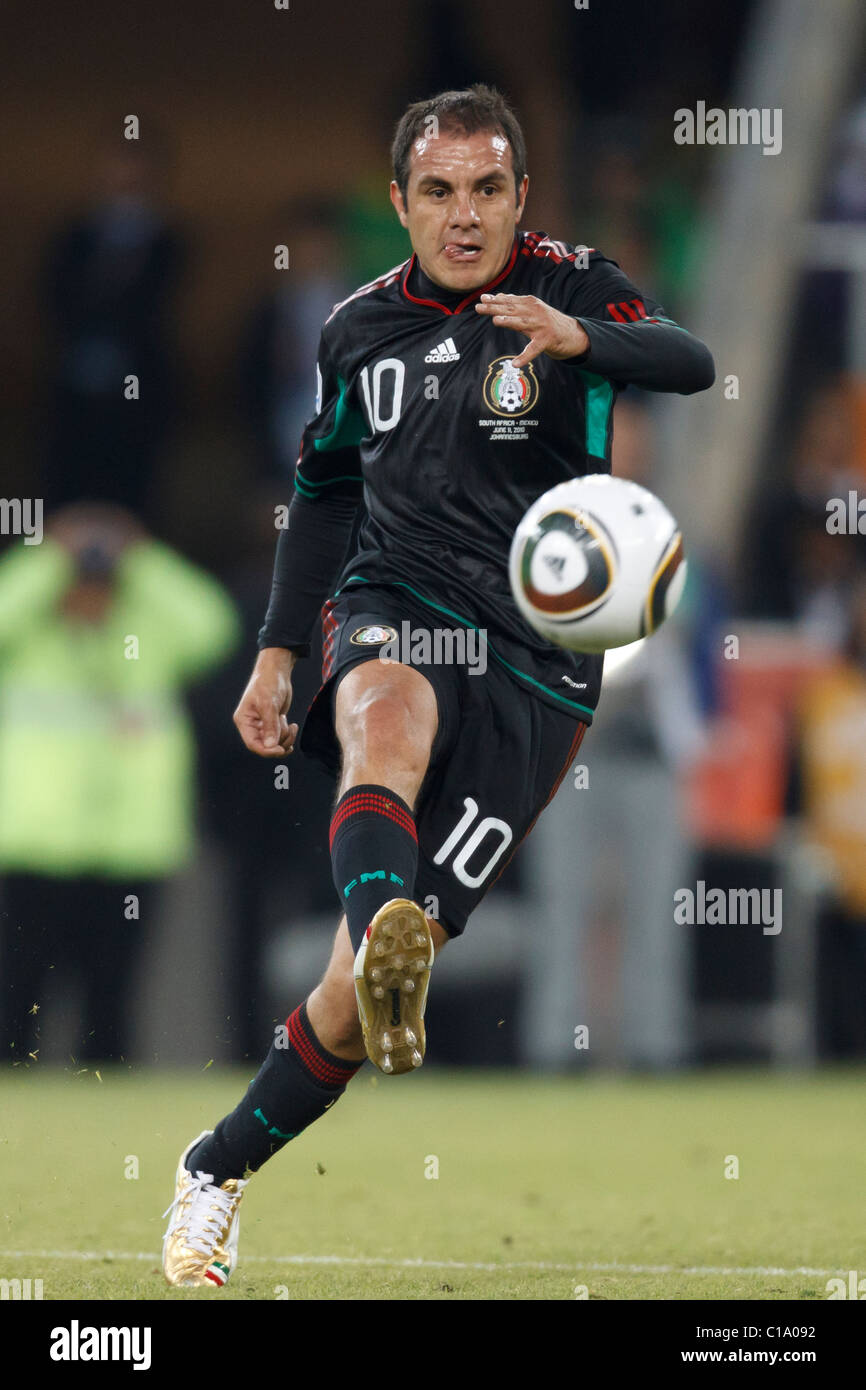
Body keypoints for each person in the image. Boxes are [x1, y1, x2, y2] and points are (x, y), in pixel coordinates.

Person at [162, 83, 714, 1288]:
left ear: (521, 195)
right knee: (382, 719)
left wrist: (585, 343)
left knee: (345, 1012)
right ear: (401, 202)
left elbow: (689, 359)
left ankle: (212, 1164)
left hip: (543, 667)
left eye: (486, 190)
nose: (463, 217)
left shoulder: (573, 285)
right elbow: (322, 492)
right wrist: (276, 648)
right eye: (436, 192)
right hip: (395, 599)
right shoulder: (356, 329)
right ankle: (382, 931)